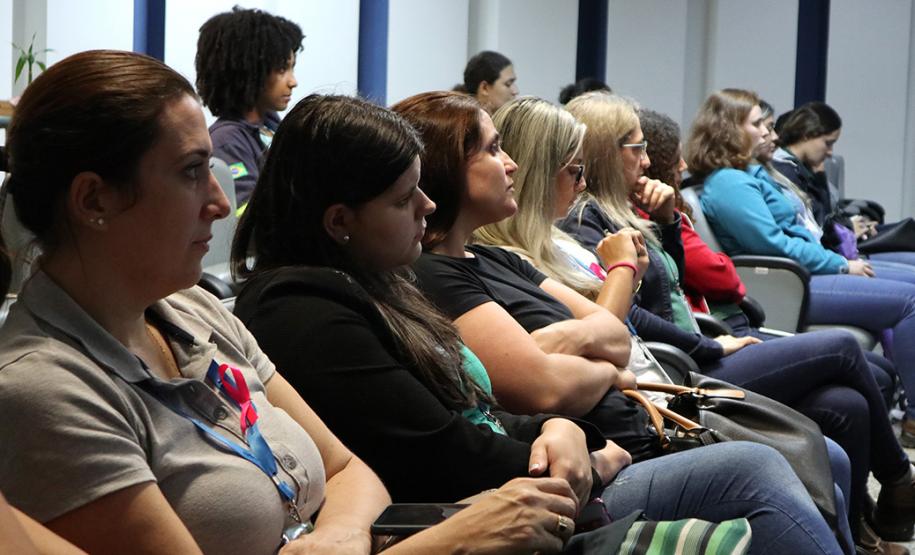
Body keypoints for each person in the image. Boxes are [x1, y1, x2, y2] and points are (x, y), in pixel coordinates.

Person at [0, 50, 594, 555]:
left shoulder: (192, 311)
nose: (217, 200)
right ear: (92, 199)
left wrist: (337, 538)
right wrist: (446, 541)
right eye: (190, 172)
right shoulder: (43, 391)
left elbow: (350, 471)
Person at [228, 92, 778, 554]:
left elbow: (501, 402)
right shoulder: (307, 310)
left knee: (782, 446)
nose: (426, 205)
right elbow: (446, 448)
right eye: (404, 198)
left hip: (557, 463)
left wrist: (566, 429)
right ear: (340, 222)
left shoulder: (386, 282)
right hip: (496, 503)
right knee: (754, 470)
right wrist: (584, 447)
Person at [395, 90, 850, 554]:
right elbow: (548, 386)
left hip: (647, 413)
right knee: (786, 440)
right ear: (450, 168)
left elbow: (616, 334)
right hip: (617, 447)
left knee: (826, 452)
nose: (509, 164)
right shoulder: (442, 270)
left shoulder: (495, 258)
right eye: (493, 150)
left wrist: (568, 346)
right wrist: (614, 328)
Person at [689, 88, 915, 543]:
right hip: (784, 285)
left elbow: (802, 227)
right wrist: (840, 262)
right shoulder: (730, 182)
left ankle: (872, 508)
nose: (771, 132)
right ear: (729, 129)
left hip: (800, 273)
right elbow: (771, 245)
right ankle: (904, 460)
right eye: (760, 124)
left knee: (869, 374)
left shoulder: (753, 171)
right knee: (909, 302)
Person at [771, 102, 915, 268]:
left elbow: (824, 217)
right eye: (828, 143)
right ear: (806, 135)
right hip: (816, 263)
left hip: (827, 257)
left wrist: (819, 176)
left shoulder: (799, 169)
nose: (830, 152)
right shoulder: (784, 172)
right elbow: (816, 228)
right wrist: (847, 229)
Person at [195, 6, 304, 208]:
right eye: (282, 69)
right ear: (249, 70)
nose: (293, 81)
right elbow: (246, 216)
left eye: (292, 68)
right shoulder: (227, 141)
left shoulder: (274, 128)